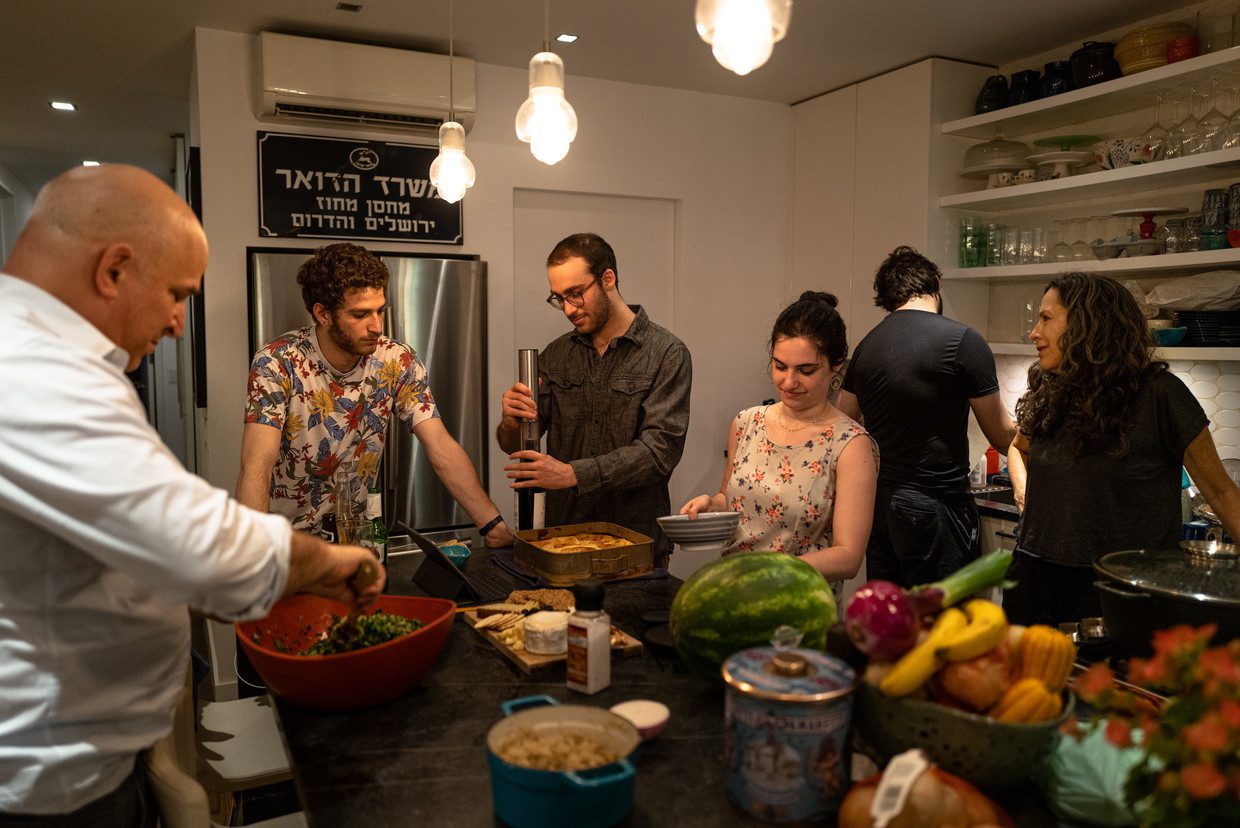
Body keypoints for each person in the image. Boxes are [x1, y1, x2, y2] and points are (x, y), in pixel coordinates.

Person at [0, 164, 382, 823]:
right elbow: (200, 548)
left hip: (86, 760)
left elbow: (121, 547)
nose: (179, 324)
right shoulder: (32, 372)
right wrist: (330, 564)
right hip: (50, 789)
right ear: (113, 269)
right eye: (176, 294)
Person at [236, 242, 513, 549]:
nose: (376, 326)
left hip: (359, 540)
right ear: (322, 313)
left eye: (380, 310)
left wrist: (492, 523)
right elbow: (256, 463)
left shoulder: (396, 360)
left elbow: (441, 446)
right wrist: (254, 554)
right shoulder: (278, 362)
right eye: (360, 314)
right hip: (288, 543)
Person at [1005, 272, 1240, 626]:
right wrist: (1024, 491)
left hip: (1120, 588)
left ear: (1088, 325)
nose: (1034, 332)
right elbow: (1017, 447)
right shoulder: (1052, 388)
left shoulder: (1161, 395)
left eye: (1046, 318)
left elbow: (1221, 492)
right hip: (1033, 573)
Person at [497, 233, 692, 568]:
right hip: (563, 539)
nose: (569, 309)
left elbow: (659, 453)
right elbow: (515, 445)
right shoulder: (557, 355)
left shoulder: (667, 354)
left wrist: (573, 474)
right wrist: (510, 420)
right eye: (559, 298)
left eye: (576, 294)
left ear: (608, 279)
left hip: (634, 543)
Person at [680, 291, 878, 603]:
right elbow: (732, 500)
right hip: (732, 594)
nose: (788, 381)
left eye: (806, 370)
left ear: (836, 366)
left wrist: (768, 573)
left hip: (796, 605)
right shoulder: (746, 423)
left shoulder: (850, 444)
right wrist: (713, 505)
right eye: (780, 366)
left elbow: (848, 557)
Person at [837, 246, 1015, 587]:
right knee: (941, 625)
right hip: (936, 508)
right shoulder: (963, 340)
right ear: (935, 283)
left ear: (887, 298)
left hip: (881, 509)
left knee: (892, 621)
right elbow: (1001, 435)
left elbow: (843, 425)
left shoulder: (867, 347)